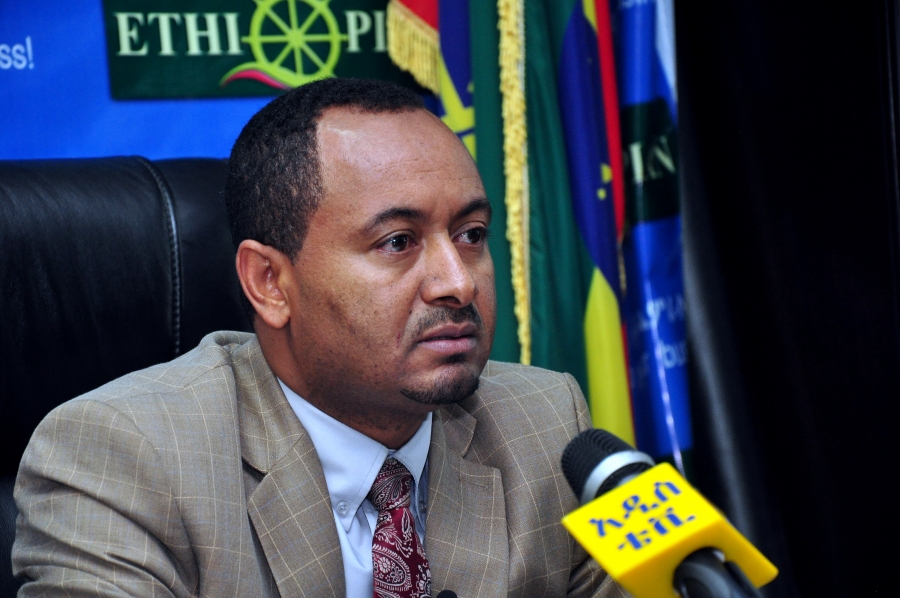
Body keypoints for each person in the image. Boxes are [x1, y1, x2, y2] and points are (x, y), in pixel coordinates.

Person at [12, 78, 626, 597]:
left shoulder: (547, 426)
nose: (458, 283)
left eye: (471, 234)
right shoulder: (127, 459)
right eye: (397, 242)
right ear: (270, 283)